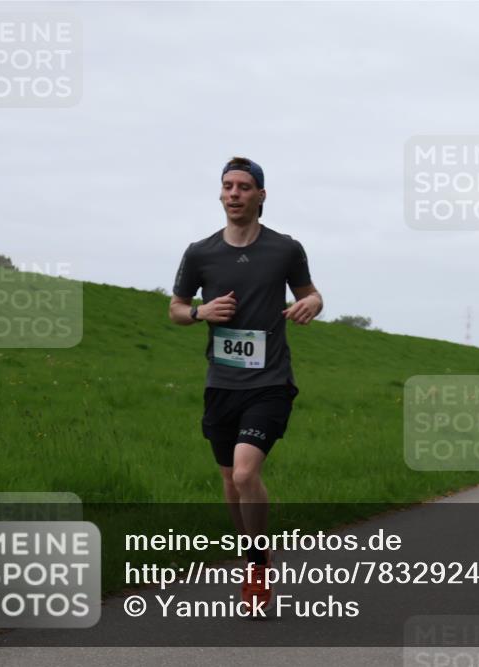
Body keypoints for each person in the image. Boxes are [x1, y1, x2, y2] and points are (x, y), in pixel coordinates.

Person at [170, 156, 323, 615]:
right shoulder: (200, 252)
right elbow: (176, 308)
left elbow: (311, 292)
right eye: (227, 186)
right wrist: (200, 312)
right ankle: (252, 552)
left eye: (243, 186)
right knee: (228, 482)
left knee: (243, 472)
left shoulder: (285, 249)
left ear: (260, 195)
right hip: (221, 384)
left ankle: (257, 567)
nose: (234, 193)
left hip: (270, 381)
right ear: (221, 194)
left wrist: (312, 304)